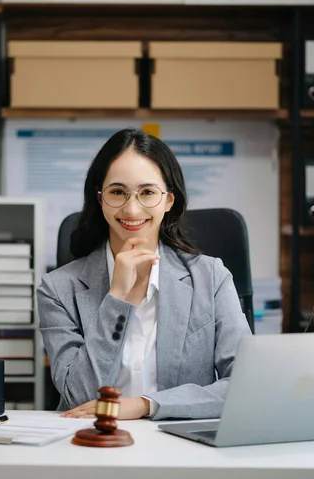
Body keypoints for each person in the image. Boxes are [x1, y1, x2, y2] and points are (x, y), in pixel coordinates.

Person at [37, 127, 251, 421]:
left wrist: (145, 405)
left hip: (180, 446)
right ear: (100, 199)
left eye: (148, 192)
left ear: (168, 200)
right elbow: (79, 397)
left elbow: (244, 385)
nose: (132, 209)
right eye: (117, 192)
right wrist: (117, 300)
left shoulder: (211, 278)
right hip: (90, 448)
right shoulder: (57, 289)